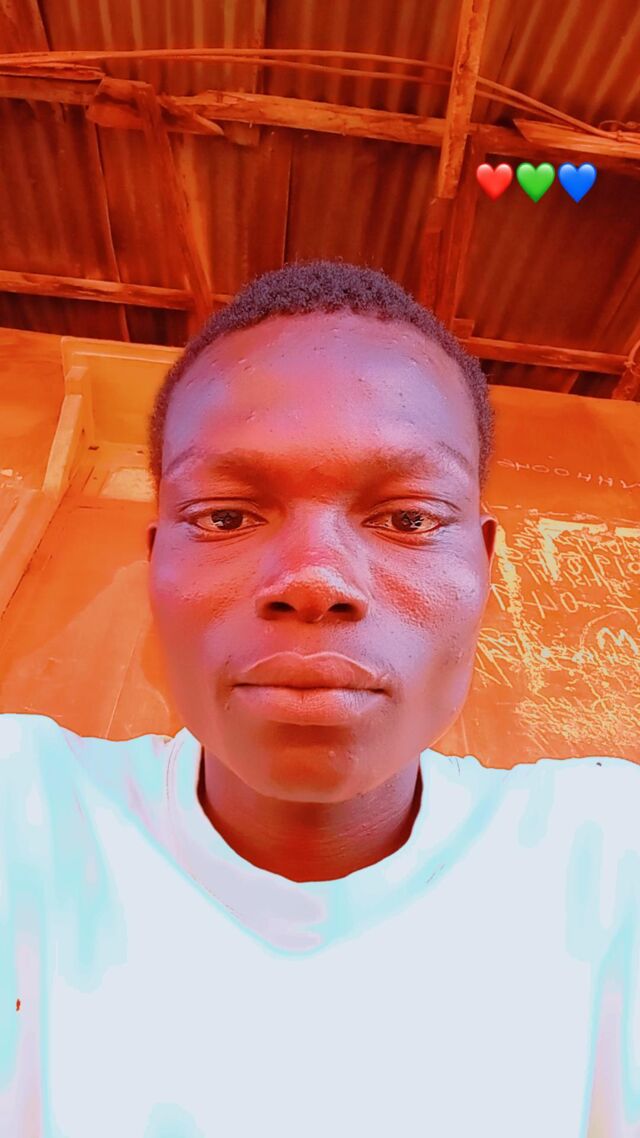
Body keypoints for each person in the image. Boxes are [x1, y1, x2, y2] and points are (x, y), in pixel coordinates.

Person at [0, 260, 638, 1137]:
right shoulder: (23, 815)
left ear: (484, 567)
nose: (314, 580)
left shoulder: (608, 865)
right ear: (153, 567)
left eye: (408, 518)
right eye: (225, 516)